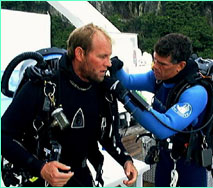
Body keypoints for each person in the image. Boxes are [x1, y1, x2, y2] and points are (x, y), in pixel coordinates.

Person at [1, 23, 138, 187]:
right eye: (102, 57)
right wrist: (41, 168)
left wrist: (125, 160)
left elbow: (107, 136)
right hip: (40, 179)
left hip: (81, 178)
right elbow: (3, 136)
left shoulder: (101, 89)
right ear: (80, 54)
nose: (108, 64)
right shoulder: (42, 88)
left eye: (109, 57)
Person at [103, 33, 209, 187]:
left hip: (190, 165)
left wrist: (125, 98)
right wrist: (117, 68)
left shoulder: (196, 93)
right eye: (154, 60)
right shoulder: (159, 78)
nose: (154, 67)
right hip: (165, 158)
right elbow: (128, 81)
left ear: (181, 66)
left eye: (162, 64)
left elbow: (164, 128)